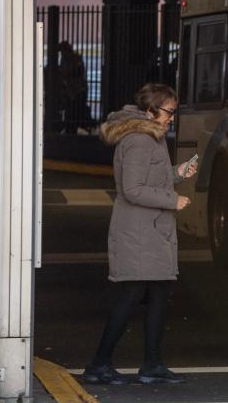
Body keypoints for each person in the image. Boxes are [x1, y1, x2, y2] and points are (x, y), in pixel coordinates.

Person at [82, 83, 198, 385]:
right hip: (139, 234)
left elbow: (153, 177)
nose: (172, 117)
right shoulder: (139, 140)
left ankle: (151, 364)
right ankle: (99, 364)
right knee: (131, 295)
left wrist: (178, 173)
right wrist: (173, 199)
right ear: (150, 110)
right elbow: (132, 189)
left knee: (158, 295)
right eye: (168, 111)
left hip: (151, 232)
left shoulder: (151, 136)